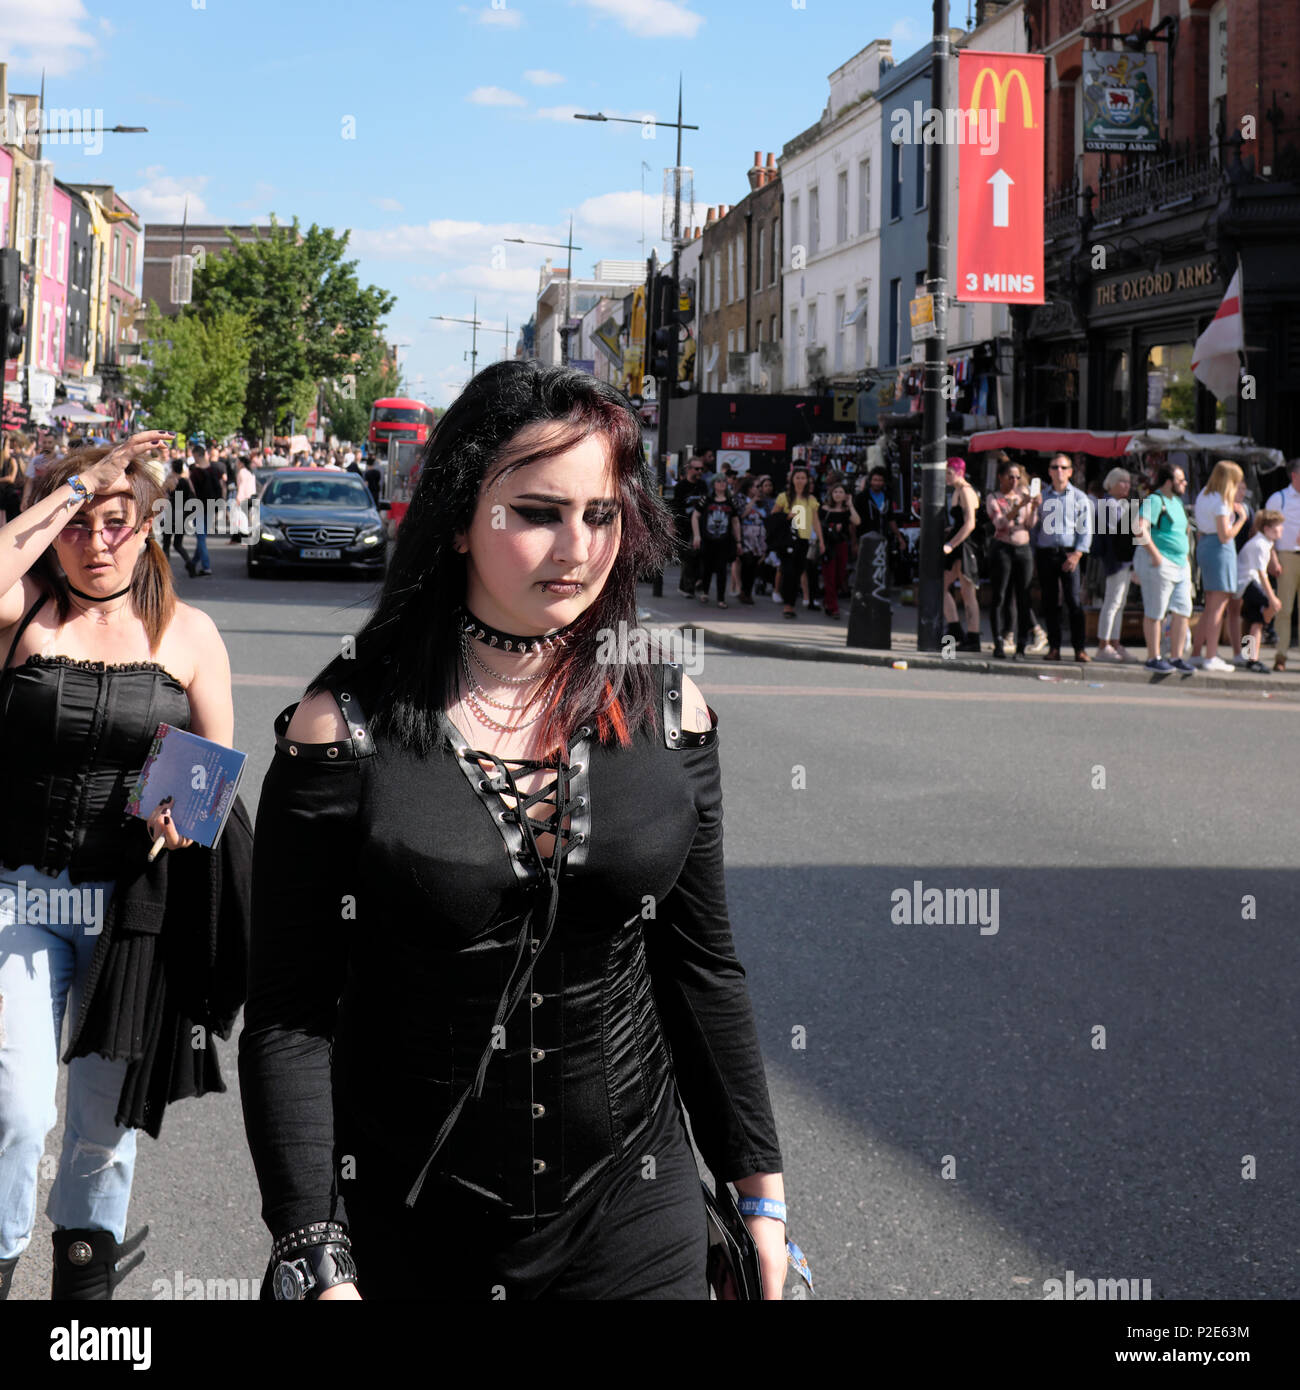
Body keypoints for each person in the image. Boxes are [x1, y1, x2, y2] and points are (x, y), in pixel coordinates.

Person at [239, 360, 788, 1302]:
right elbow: (291, 1014)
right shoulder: (344, 728)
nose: (577, 545)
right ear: (459, 520)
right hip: (415, 1225)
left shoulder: (668, 710)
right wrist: (313, 1254)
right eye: (537, 512)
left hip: (636, 1214)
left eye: (601, 513)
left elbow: (701, 965)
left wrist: (761, 1198)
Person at [0, 433, 246, 1302]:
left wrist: (190, 817)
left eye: (118, 520)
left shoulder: (188, 632)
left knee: (103, 1127)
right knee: (16, 1107)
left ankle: (85, 1308)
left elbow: (218, 765)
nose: (96, 539)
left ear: (147, 531)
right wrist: (75, 485)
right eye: (80, 521)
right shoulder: (22, 611)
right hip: (18, 894)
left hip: (129, 908)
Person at [1132, 462, 1196, 673]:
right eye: (1181, 480)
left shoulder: (1176, 501)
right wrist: (1156, 556)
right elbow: (1139, 528)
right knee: (1155, 611)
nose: (1185, 483)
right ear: (1169, 482)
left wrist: (1185, 558)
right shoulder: (1155, 500)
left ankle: (1176, 657)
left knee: (1183, 610)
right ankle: (1153, 657)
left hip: (1180, 564)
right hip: (1162, 563)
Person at [1031, 453, 1093, 662]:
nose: (1059, 471)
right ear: (1049, 471)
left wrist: (1077, 553)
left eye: (1063, 467)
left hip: (1069, 552)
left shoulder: (1079, 497)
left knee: (1073, 601)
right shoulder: (1042, 497)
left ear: (1070, 471)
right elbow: (1034, 527)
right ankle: (1054, 647)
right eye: (1055, 467)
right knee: (1049, 601)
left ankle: (1079, 649)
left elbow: (1086, 528)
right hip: (1046, 552)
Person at [1188, 461, 1247, 672]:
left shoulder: (1204, 493)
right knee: (1218, 606)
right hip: (1220, 549)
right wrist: (1241, 519)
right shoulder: (1221, 500)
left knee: (1210, 606)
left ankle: (1197, 653)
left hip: (1206, 545)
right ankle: (1211, 655)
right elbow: (1225, 535)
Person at [985, 454, 1037, 659]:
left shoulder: (1023, 494)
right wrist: (1018, 506)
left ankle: (1021, 645)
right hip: (1003, 548)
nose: (1014, 481)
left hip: (1023, 549)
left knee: (1024, 596)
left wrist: (1033, 507)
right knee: (1000, 595)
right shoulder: (994, 497)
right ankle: (999, 640)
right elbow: (1000, 524)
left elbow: (1031, 524)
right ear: (1001, 478)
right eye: (1010, 477)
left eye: (1017, 477)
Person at [1093, 467, 1137, 662]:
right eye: (1122, 481)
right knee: (1113, 602)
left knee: (1119, 602)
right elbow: (1120, 532)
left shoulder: (1121, 504)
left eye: (1128, 482)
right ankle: (1104, 645)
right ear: (1111, 483)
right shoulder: (1109, 505)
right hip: (1116, 559)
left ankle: (1114, 642)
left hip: (1123, 559)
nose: (1126, 485)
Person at [1234, 509, 1284, 672]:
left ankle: (1250, 657)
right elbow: (1261, 574)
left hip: (1249, 582)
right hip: (1247, 582)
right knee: (1269, 610)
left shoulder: (1265, 543)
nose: (1281, 529)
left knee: (1255, 620)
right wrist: (1272, 598)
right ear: (1267, 528)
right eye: (1278, 526)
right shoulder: (1260, 545)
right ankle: (1265, 637)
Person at [772, 466, 824, 620]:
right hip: (788, 539)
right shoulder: (784, 497)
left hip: (804, 540)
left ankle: (791, 603)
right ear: (792, 479)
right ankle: (788, 605)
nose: (800, 480)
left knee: (798, 572)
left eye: (803, 477)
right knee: (788, 571)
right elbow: (773, 516)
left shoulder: (811, 499)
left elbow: (815, 521)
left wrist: (821, 540)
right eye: (797, 477)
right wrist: (787, 516)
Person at [1263, 458, 1300, 671]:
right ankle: (1281, 655)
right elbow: (1267, 533)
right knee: (1284, 608)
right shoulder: (1279, 499)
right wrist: (1273, 558)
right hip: (1286, 555)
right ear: (1294, 475)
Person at [941, 459, 981, 652]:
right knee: (944, 586)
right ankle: (955, 629)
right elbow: (961, 521)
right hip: (959, 544)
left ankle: (972, 636)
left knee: (967, 592)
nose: (946, 476)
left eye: (949, 472)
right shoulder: (957, 490)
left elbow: (970, 523)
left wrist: (951, 543)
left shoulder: (965, 491)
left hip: (964, 546)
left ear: (959, 472)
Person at [692, 471, 741, 609]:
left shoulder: (731, 501)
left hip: (724, 541)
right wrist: (697, 535)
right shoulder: (706, 499)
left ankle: (721, 598)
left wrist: (738, 541)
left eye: (724, 481)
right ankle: (705, 592)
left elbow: (736, 521)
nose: (722, 484)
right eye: (719, 482)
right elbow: (695, 516)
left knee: (722, 569)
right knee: (706, 568)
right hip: (708, 540)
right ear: (713, 484)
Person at [671, 455, 708, 598]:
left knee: (698, 555)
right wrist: (673, 526)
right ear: (689, 469)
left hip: (699, 525)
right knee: (688, 556)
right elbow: (675, 507)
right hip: (684, 525)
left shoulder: (703, 485)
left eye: (702, 469)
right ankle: (687, 587)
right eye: (697, 468)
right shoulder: (681, 487)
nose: (700, 471)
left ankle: (690, 584)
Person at [818, 482, 852, 619]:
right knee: (829, 576)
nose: (838, 494)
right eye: (835, 492)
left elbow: (857, 521)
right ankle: (833, 607)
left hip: (841, 544)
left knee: (840, 575)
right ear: (831, 494)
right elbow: (817, 526)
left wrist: (850, 505)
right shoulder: (824, 509)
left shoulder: (846, 511)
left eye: (841, 492)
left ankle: (828, 600)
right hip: (828, 544)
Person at [186, 445, 220, 577]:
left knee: (201, 538)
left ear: (196, 455)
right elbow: (219, 487)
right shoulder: (213, 470)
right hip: (211, 506)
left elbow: (192, 491)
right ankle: (193, 562)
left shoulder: (196, 473)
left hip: (199, 507)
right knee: (202, 536)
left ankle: (206, 566)